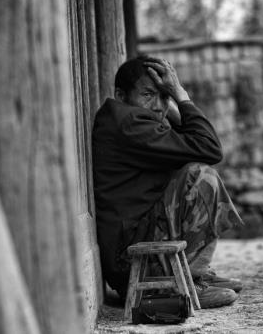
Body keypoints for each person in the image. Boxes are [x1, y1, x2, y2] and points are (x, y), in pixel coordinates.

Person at [92, 55, 244, 309]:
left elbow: (197, 146)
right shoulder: (129, 124)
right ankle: (183, 284)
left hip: (134, 247)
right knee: (200, 176)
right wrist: (181, 96)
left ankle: (193, 274)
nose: (157, 105)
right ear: (121, 95)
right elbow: (209, 148)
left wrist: (169, 104)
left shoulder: (129, 120)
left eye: (164, 96)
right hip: (130, 260)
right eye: (147, 95)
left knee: (194, 171)